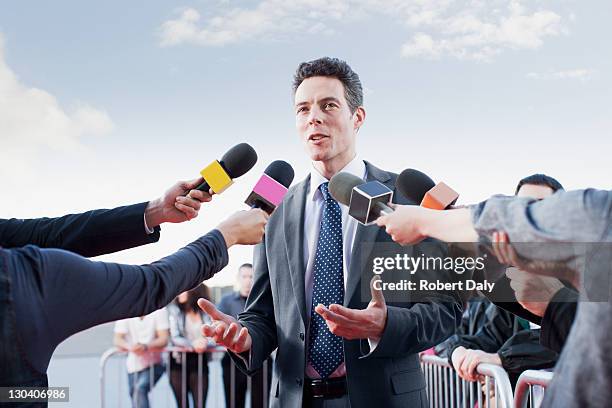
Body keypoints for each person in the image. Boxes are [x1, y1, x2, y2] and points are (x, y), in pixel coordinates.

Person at [199, 57, 462, 408]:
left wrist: (384, 325)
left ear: (358, 117)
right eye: (303, 109)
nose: (314, 117)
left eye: (328, 105)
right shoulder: (273, 209)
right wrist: (244, 337)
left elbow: (445, 309)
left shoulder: (407, 196)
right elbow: (263, 314)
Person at [0, 175, 269, 401]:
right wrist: (226, 236)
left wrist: (154, 212)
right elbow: (150, 284)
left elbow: (47, 233)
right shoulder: (22, 277)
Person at [376, 188, 612, 407]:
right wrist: (552, 305)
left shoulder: (600, 218)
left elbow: (593, 214)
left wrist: (427, 221)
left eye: (539, 212)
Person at [217, 263, 271, 408]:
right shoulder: (226, 301)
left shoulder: (265, 301)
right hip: (231, 361)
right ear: (238, 278)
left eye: (251, 276)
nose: (248, 280)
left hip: (261, 360)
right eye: (244, 276)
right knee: (234, 401)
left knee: (260, 402)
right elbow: (218, 326)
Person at [114, 308, 170, 408]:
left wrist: (146, 346)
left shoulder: (160, 310)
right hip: (133, 365)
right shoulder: (126, 309)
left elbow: (164, 339)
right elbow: (117, 339)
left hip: (155, 364)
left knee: (140, 389)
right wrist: (131, 347)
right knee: (134, 395)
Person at [168, 284, 213, 408]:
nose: (179, 294)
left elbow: (213, 335)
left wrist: (205, 342)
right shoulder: (175, 310)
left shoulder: (206, 312)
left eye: (183, 291)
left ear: (194, 291)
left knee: (200, 404)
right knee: (182, 405)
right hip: (178, 363)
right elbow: (174, 336)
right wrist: (193, 344)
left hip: (199, 361)